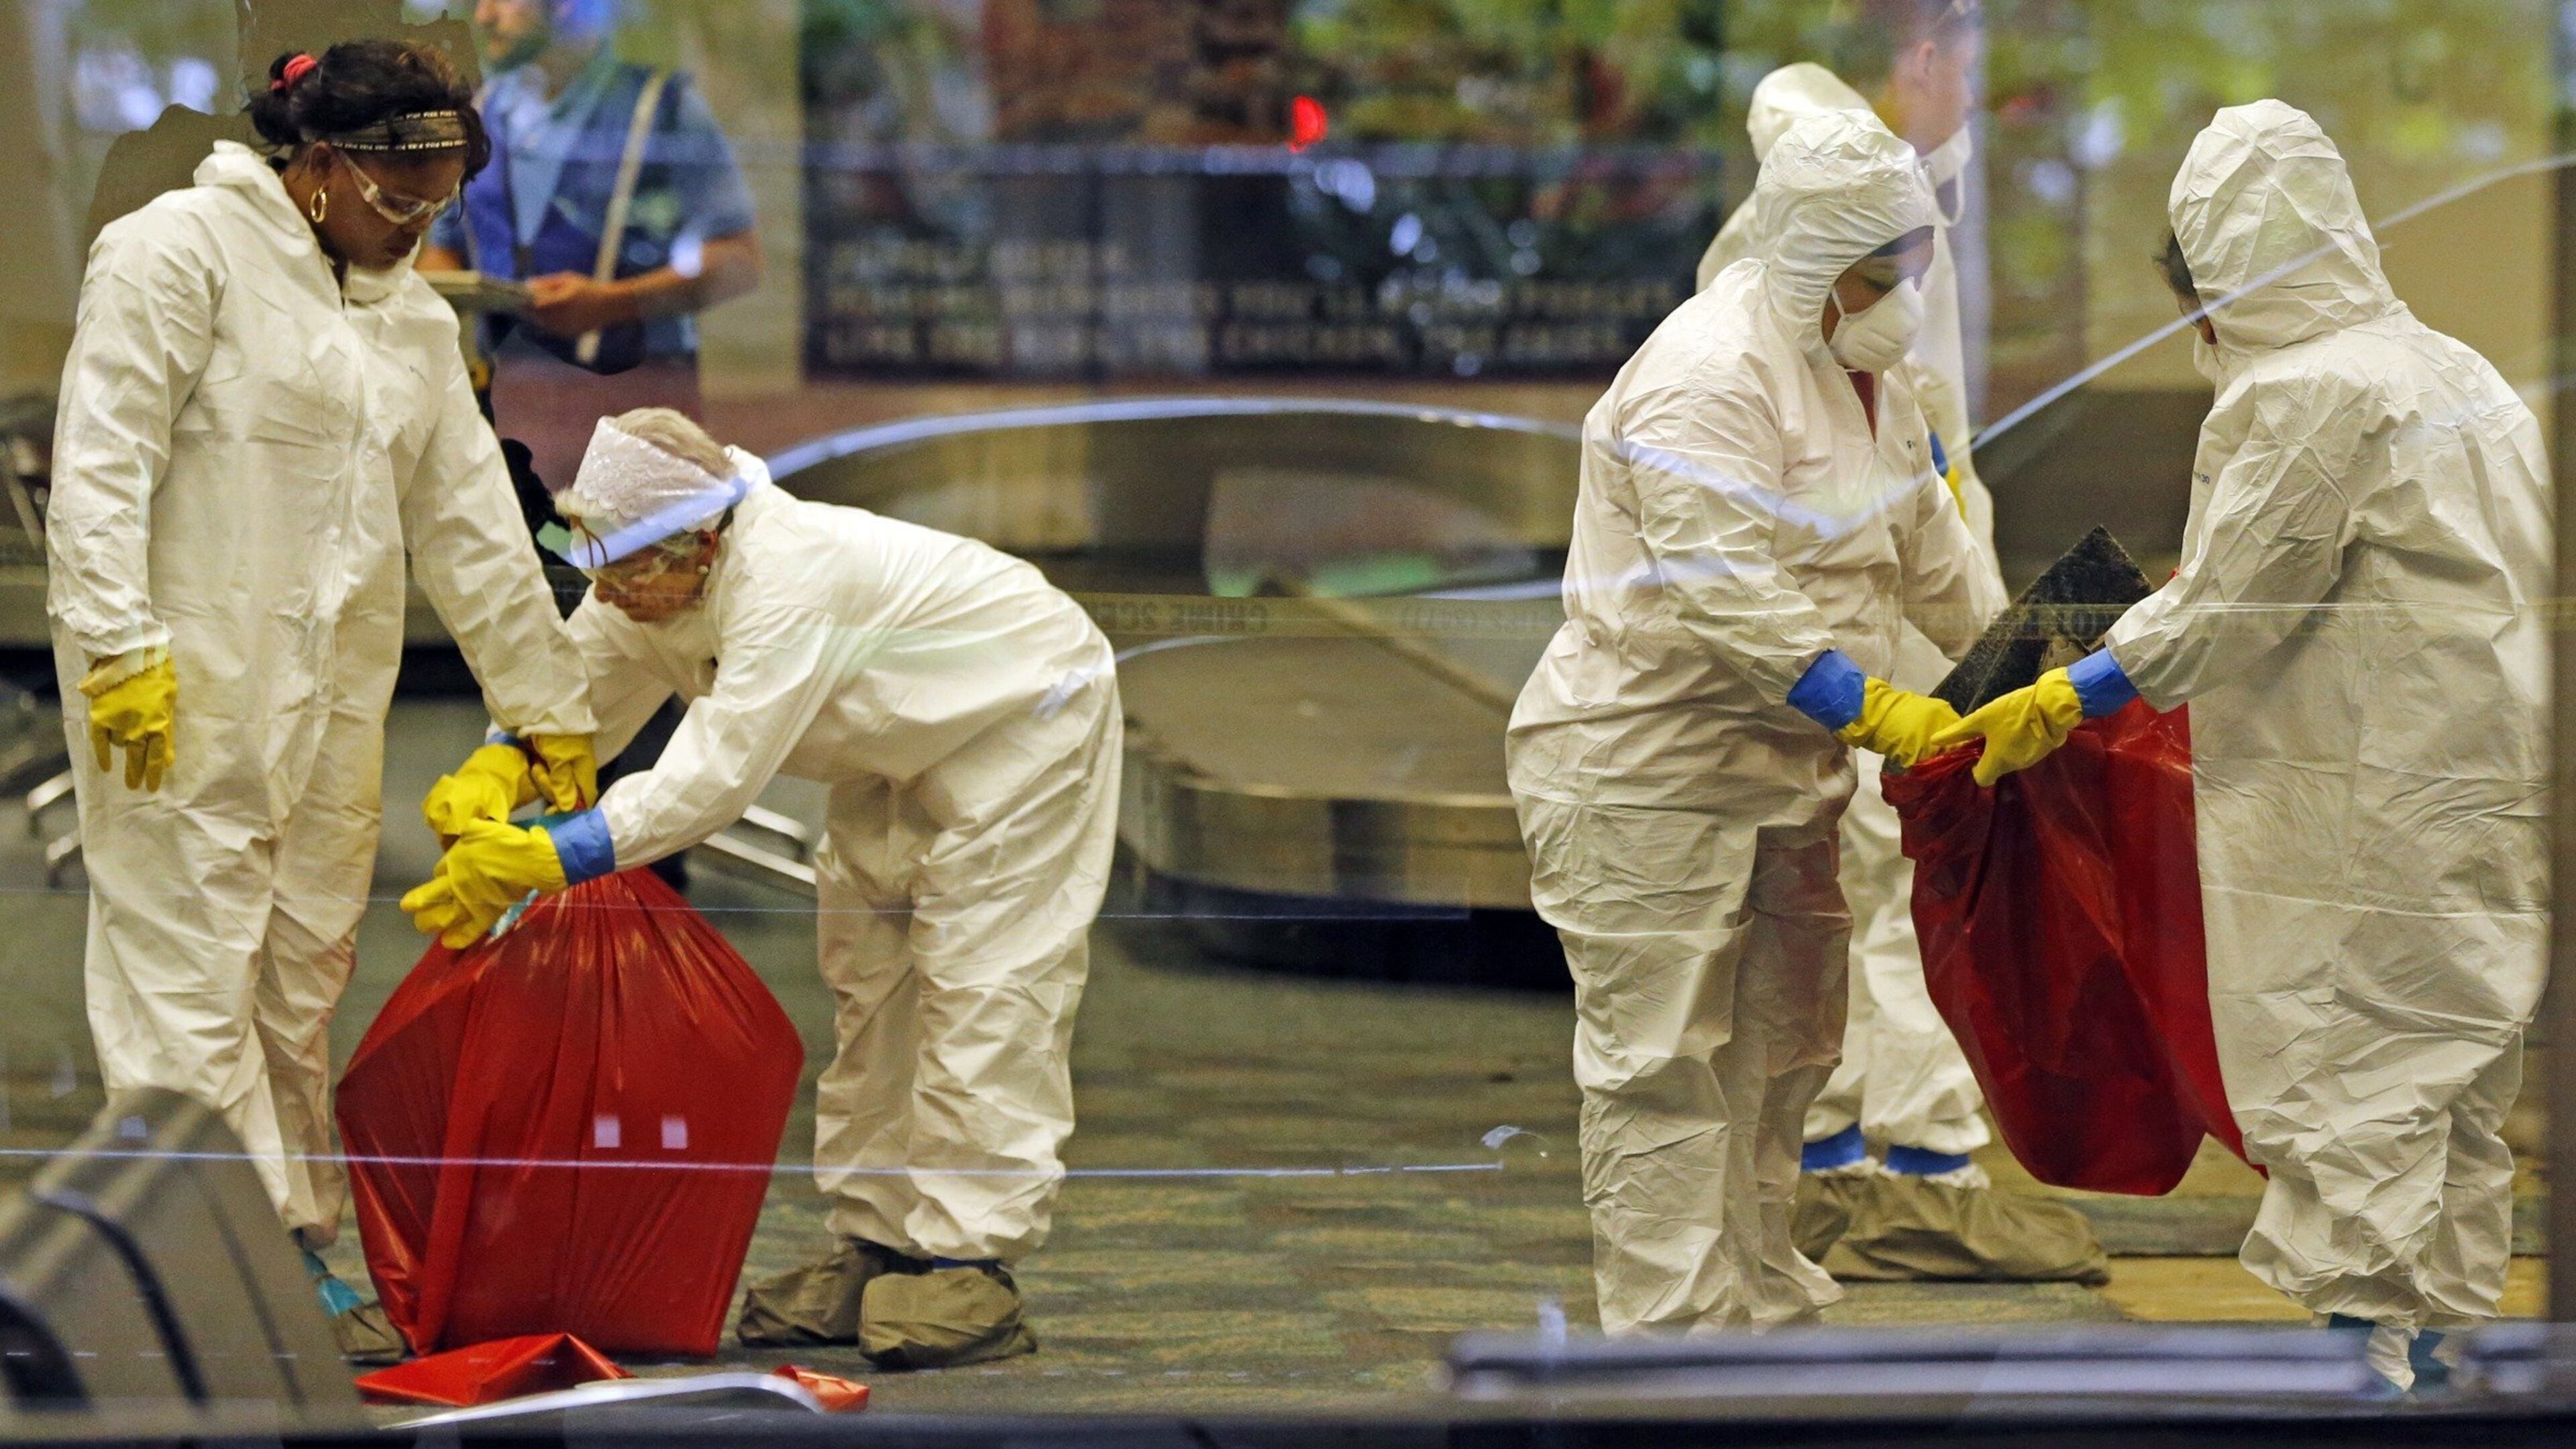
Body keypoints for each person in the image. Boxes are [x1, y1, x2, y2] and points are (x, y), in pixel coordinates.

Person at [1937, 101, 2551, 1393]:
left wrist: (2067, 693)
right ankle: (2446, 1364)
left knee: (2353, 1081)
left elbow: (2230, 606)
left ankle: (2362, 1381)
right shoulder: (2461, 373)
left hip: (2353, 808)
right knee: (2446, 1087)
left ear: (2228, 278)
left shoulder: (2305, 393)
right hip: (2482, 793)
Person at [46, 40, 598, 1361]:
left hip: (329, 707)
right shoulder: (176, 252)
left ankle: (291, 1242)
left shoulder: (409, 320)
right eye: (399, 195)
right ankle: (207, 1266)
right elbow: (102, 462)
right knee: (186, 974)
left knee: (299, 975)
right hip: (177, 692)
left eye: (443, 199)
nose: (420, 225)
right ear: (318, 167)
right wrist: (116, 646)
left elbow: (472, 522)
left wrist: (547, 704)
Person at [400, 409, 1122, 1370]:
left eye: (627, 573)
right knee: (873, 987)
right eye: (596, 567)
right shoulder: (646, 572)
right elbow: (575, 697)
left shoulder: (787, 577)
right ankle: (876, 1243)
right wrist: (504, 767)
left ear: (703, 543)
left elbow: (718, 772)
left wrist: (553, 854)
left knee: (986, 987)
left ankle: (968, 1265)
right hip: (894, 740)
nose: (609, 595)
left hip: (1026, 717)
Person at [1506, 109, 2004, 1335]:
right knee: (1665, 1074)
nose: (1905, 295)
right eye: (1880, 271)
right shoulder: (1706, 372)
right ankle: (1669, 1354)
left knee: (1784, 1058)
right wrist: (1877, 708)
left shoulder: (1872, 381)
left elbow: (1933, 554)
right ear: (1808, 257)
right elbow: (1723, 587)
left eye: (1916, 267)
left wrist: (2024, 678)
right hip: (1646, 772)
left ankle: (1759, 1315)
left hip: (1784, 778)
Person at [1694, 0, 2104, 1284]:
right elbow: (1836, 490)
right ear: (1924, 56)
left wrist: (2000, 650)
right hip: (1827, 618)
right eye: (1969, 60)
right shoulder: (1827, 239)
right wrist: (1899, 682)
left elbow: (1922, 476)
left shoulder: (1893, 209)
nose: (1977, 91)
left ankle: (1855, 1157)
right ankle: (1883, 1161)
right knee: (1889, 865)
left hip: (1882, 598)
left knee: (1871, 874)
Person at [419, 0, 761, 488]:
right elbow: (446, 247)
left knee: (641, 558)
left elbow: (740, 259)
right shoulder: (481, 112)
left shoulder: (662, 108)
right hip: (515, 405)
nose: (484, 16)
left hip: (641, 403)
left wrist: (611, 305)